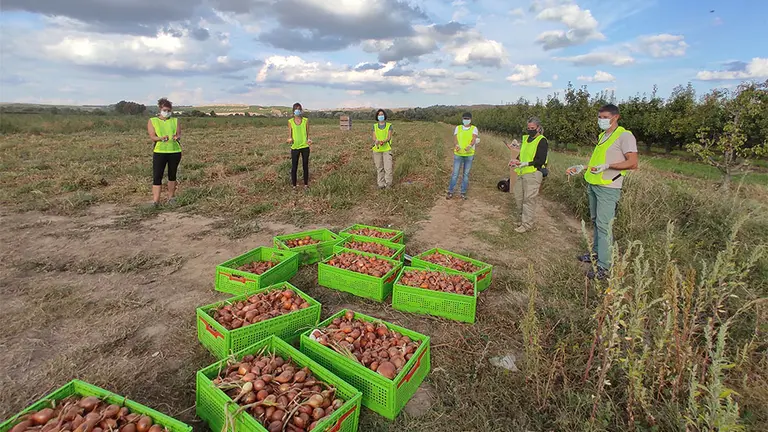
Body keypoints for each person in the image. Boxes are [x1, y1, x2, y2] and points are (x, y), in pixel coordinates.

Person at [566, 104, 639, 280]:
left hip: (608, 187)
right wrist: (584, 167)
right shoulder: (603, 136)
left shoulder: (625, 136)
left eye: (605, 117)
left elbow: (633, 163)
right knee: (596, 222)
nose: (601, 120)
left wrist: (608, 166)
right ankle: (597, 254)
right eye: (600, 117)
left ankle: (605, 268)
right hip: (594, 184)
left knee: (605, 226)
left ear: (616, 117)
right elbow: (599, 162)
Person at [509, 117, 549, 233]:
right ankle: (522, 220)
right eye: (528, 128)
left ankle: (527, 224)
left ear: (538, 128)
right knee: (519, 197)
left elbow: (540, 160)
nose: (530, 130)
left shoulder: (542, 140)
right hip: (522, 172)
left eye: (532, 128)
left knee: (529, 200)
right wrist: (516, 160)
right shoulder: (526, 139)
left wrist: (526, 163)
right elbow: (522, 154)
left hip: (533, 173)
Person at [146, 97, 182, 206]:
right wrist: (161, 138)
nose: (166, 112)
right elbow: (152, 137)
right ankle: (156, 201)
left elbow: (178, 134)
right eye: (165, 110)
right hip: (160, 151)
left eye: (168, 110)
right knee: (157, 176)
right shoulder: (153, 121)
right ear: (160, 109)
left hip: (174, 151)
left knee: (172, 174)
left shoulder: (175, 121)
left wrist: (177, 137)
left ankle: (171, 198)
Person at [447, 112, 479, 200]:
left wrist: (470, 145)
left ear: (470, 119)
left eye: (467, 119)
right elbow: (455, 139)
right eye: (464, 119)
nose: (466, 120)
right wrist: (456, 145)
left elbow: (474, 138)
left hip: (469, 154)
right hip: (458, 154)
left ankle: (463, 192)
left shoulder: (474, 128)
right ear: (462, 119)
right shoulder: (458, 128)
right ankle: (450, 191)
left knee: (466, 174)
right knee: (455, 173)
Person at [287, 102, 312, 191]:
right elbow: (289, 135)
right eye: (296, 109)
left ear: (301, 110)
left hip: (305, 146)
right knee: (294, 167)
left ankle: (306, 184)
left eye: (299, 109)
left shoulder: (305, 120)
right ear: (293, 111)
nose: (297, 111)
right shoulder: (290, 122)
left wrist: (309, 139)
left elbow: (308, 133)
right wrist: (289, 139)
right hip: (295, 147)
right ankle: (294, 185)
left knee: (305, 165)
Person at [372, 109, 394, 189]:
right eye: (379, 115)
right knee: (379, 168)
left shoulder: (389, 125)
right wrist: (377, 141)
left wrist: (383, 141)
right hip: (377, 149)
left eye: (382, 114)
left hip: (386, 149)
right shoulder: (374, 126)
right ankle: (381, 184)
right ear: (377, 117)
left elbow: (389, 137)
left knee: (388, 168)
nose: (380, 116)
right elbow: (374, 137)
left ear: (384, 116)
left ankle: (388, 184)